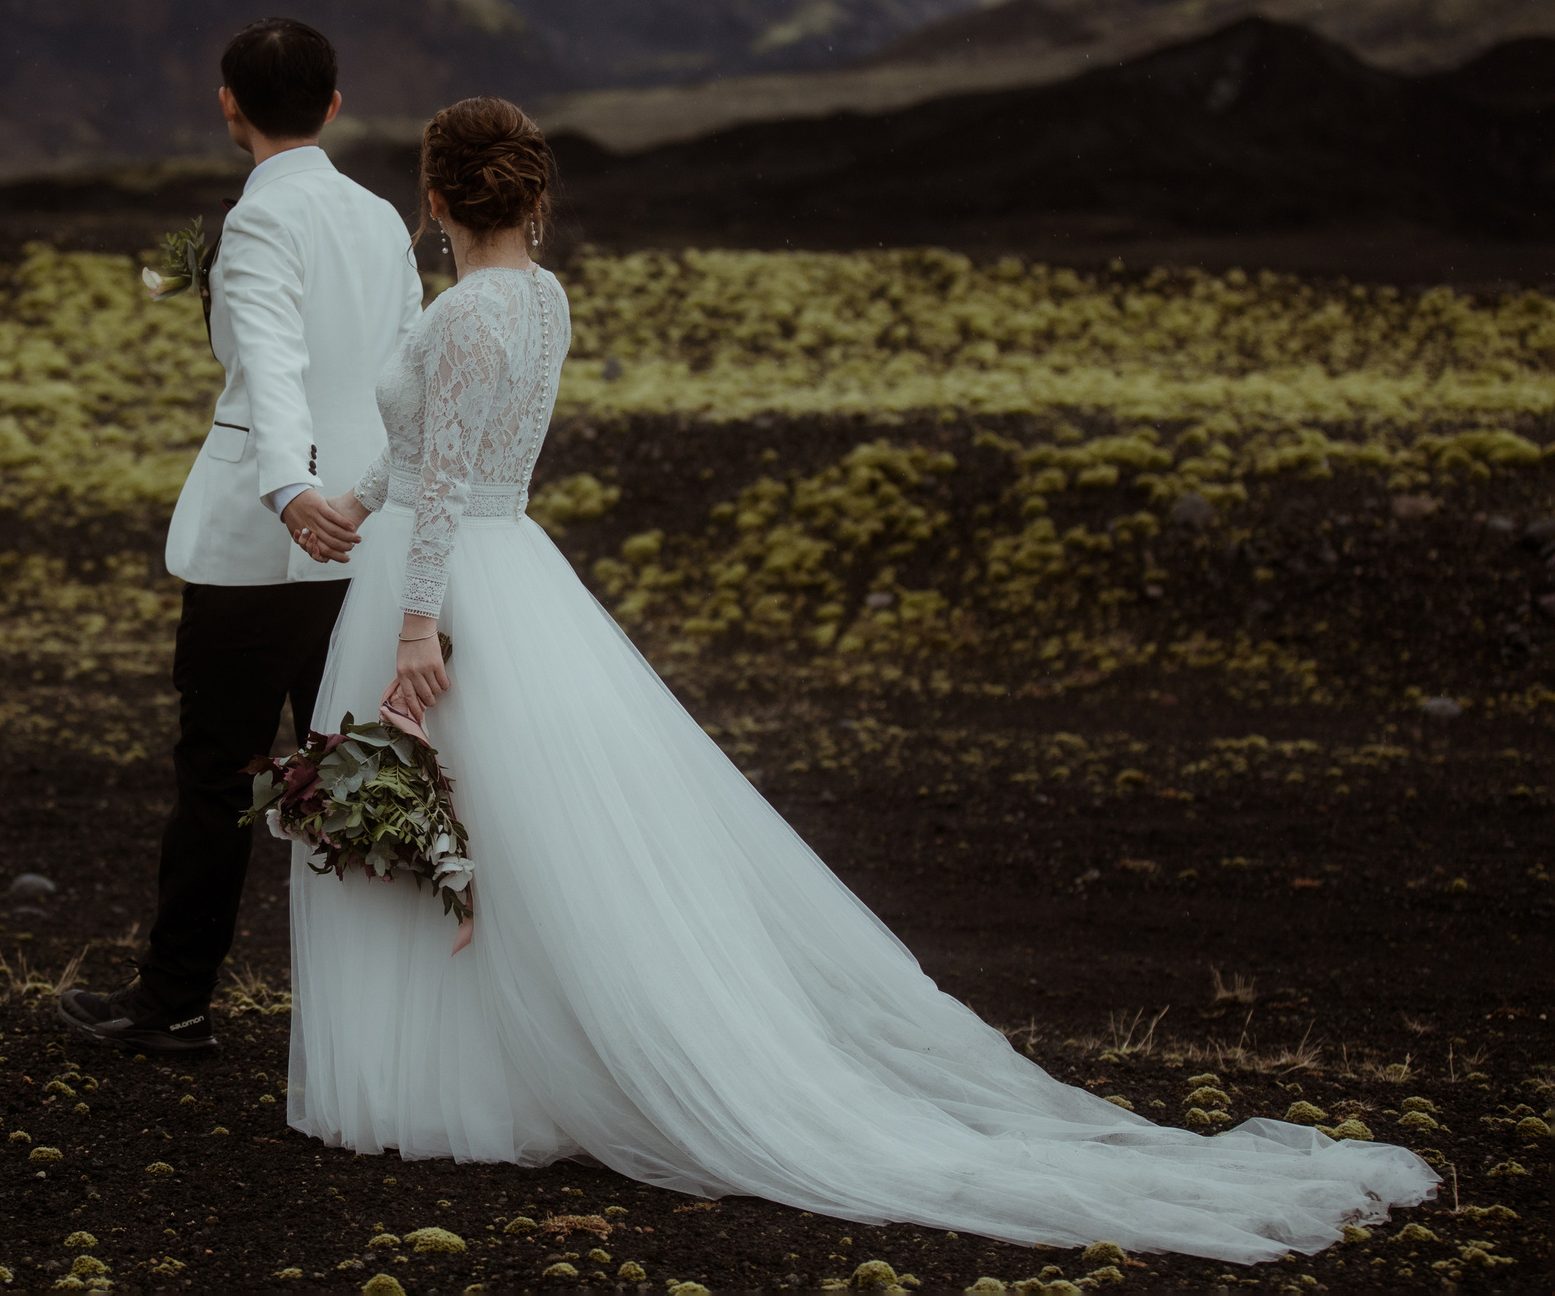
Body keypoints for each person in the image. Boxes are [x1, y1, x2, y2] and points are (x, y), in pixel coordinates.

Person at [276, 95, 1436, 1262]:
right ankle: (489, 1076)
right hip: (490, 564)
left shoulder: (472, 311)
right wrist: (350, 507)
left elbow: (454, 476)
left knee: (466, 828)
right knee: (508, 839)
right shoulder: (539, 296)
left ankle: (463, 1088)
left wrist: (417, 629)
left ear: (433, 200)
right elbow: (434, 456)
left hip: (451, 586)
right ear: (531, 195)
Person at [55, 17, 420, 1054]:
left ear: (228, 105)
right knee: (359, 774)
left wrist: (285, 492)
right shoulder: (379, 215)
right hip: (369, 526)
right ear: (334, 105)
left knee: (217, 774)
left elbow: (269, 361)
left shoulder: (259, 222)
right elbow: (399, 370)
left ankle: (173, 1004)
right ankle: (385, 1028)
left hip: (272, 546)